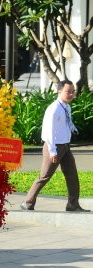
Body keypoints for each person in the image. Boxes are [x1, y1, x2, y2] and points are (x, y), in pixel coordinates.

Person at [21, 80, 89, 212]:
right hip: (54, 147)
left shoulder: (66, 107)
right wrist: (52, 151)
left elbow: (66, 122)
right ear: (59, 91)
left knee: (72, 175)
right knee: (45, 176)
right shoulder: (54, 109)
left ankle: (72, 204)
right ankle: (27, 202)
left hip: (65, 146)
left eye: (72, 91)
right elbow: (48, 131)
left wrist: (73, 128)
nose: (71, 94)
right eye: (68, 92)